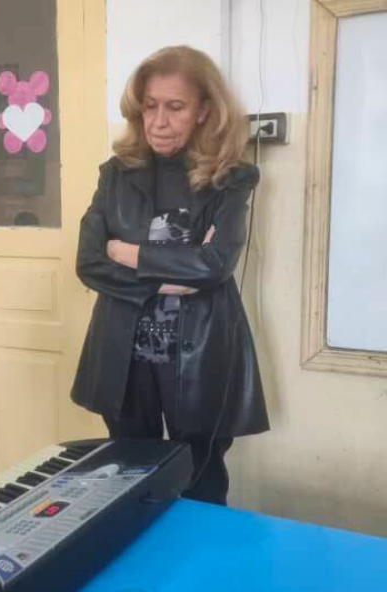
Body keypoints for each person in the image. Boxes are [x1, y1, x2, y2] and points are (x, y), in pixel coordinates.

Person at [71, 46, 269, 506]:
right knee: (129, 478)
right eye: (150, 106)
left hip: (201, 353)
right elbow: (89, 261)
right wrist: (168, 275)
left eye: (175, 107)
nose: (158, 121)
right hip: (124, 352)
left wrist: (130, 253)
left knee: (200, 480)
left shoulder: (231, 178)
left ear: (204, 110)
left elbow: (215, 263)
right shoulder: (116, 174)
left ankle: (200, 572)